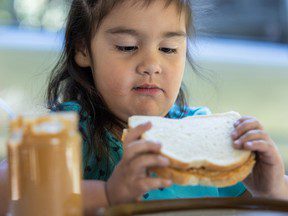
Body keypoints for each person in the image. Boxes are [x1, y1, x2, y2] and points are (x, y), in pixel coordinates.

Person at [0, 0, 287, 213]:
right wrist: (107, 195)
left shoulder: (209, 136)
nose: (151, 65)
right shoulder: (65, 131)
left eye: (168, 49)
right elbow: (8, 195)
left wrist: (272, 189)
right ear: (83, 49)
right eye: (127, 46)